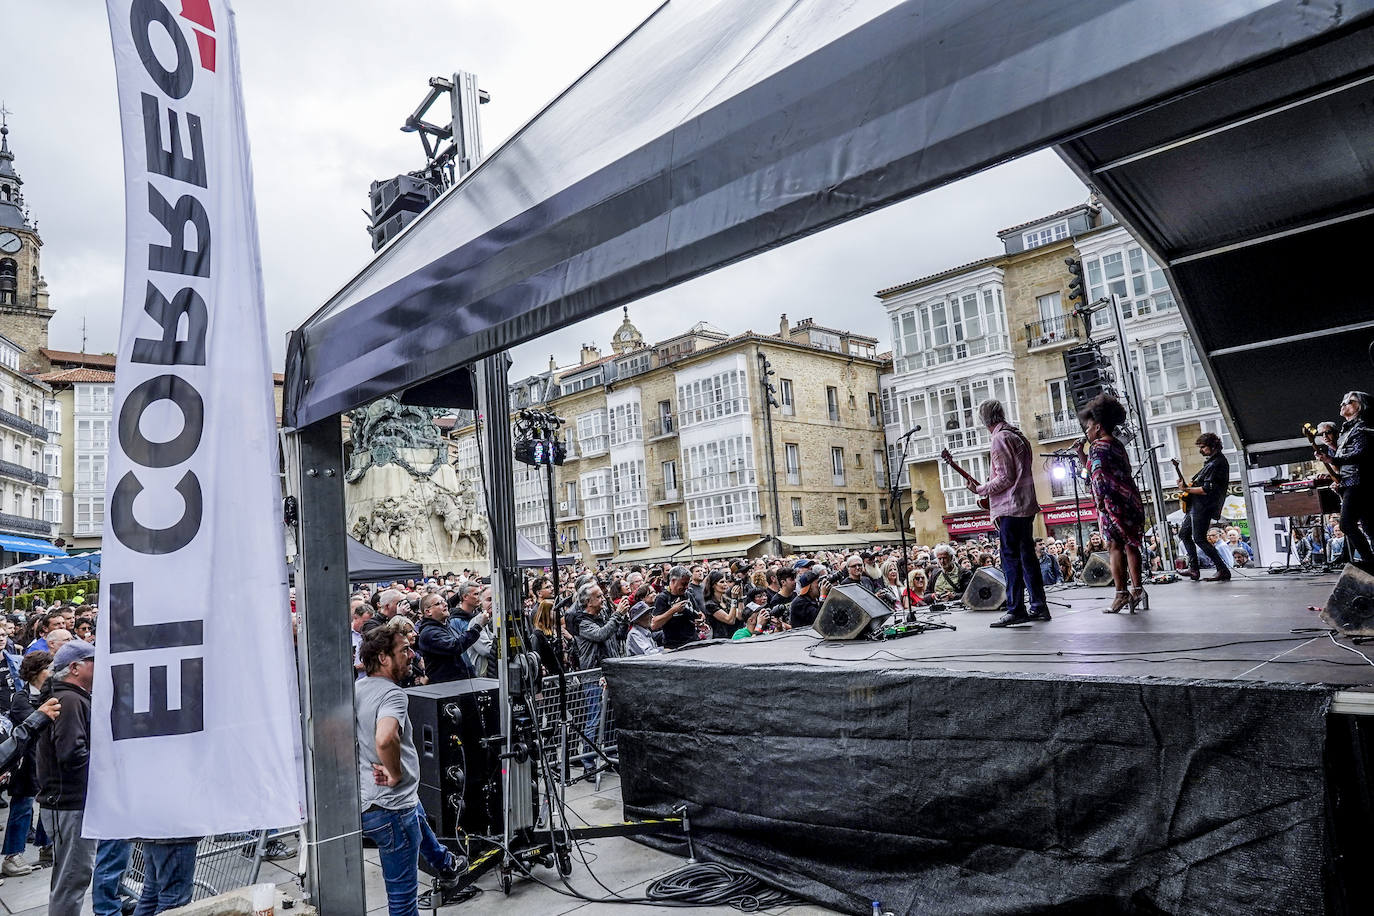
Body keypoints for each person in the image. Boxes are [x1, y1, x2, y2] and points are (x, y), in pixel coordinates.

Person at [967, 400, 1049, 627]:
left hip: (1010, 507)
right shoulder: (1018, 435)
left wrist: (981, 489)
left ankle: (1016, 609)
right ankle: (1039, 605)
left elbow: (1005, 478)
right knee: (1028, 558)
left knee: (1010, 559)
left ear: (984, 420)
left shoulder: (999, 438)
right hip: (1026, 504)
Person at [35, 640, 97, 916]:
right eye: (94, 661)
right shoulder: (69, 700)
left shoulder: (69, 696)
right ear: (74, 668)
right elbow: (71, 754)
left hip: (67, 804)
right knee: (71, 880)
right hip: (69, 805)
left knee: (70, 878)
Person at [1076, 394, 1148, 613]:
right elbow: (1096, 469)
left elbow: (1097, 478)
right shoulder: (1117, 445)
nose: (1086, 432)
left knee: (1114, 547)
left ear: (1098, 427)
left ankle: (1120, 594)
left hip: (1112, 504)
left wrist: (1099, 503)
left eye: (1088, 428)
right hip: (1131, 500)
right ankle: (1138, 590)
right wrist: (1082, 455)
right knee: (1132, 545)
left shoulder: (1097, 447)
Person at [1, 651, 57, 876]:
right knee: (23, 806)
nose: (53, 673)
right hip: (25, 763)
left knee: (47, 804)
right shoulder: (21, 699)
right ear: (36, 672)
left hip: (46, 761)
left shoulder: (52, 693)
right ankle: (13, 855)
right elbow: (34, 725)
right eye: (49, 669)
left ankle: (47, 846)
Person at [1316, 391, 1374, 573]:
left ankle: (1370, 562)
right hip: (1352, 482)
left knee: (1347, 524)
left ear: (1361, 406)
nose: (1344, 404)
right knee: (1369, 526)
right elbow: (1347, 454)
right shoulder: (1348, 428)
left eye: (1350, 402)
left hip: (1358, 483)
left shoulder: (1362, 428)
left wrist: (1332, 460)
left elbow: (1361, 454)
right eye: (1343, 402)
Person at [1175, 432, 1232, 581]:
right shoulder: (1211, 462)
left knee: (1199, 538)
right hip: (1197, 505)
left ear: (1213, 446)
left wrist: (1186, 489)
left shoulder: (1217, 463)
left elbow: (1206, 489)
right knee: (1184, 534)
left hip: (1204, 506)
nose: (1201, 450)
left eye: (1203, 447)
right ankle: (1194, 569)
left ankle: (1222, 569)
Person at [416, 593, 487, 684]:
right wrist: (478, 627)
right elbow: (455, 646)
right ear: (428, 611)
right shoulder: (430, 633)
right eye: (439, 603)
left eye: (444, 601)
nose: (445, 604)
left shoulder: (443, 626)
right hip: (447, 688)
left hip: (456, 684)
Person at [650, 566, 699, 650]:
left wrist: (700, 619)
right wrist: (673, 610)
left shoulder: (688, 594)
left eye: (688, 583)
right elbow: (654, 624)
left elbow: (699, 613)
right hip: (674, 646)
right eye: (683, 584)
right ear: (673, 581)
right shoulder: (662, 598)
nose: (686, 587)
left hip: (693, 642)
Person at [703, 570, 741, 641]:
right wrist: (734, 599)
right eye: (722, 582)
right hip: (720, 642)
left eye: (726, 581)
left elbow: (740, 616)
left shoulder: (727, 601)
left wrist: (740, 597)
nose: (725, 584)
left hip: (734, 638)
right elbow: (730, 620)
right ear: (713, 585)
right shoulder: (710, 605)